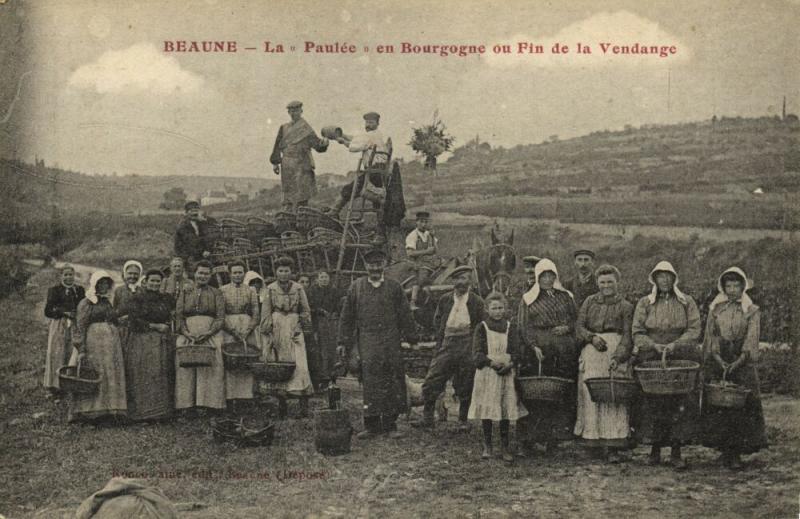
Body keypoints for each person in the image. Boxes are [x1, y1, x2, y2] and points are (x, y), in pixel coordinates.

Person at [338, 249, 419, 439]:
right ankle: (372, 425)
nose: (375, 268)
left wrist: (412, 338)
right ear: (366, 266)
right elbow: (346, 317)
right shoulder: (356, 287)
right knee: (371, 381)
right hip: (367, 340)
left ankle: (391, 425)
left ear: (384, 266)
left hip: (391, 340)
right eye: (371, 265)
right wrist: (342, 341)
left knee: (392, 380)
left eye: (379, 264)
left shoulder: (394, 287)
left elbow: (405, 314)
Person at [631, 260, 702, 469]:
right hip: (652, 355)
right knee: (653, 401)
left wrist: (675, 345)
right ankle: (654, 449)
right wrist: (652, 345)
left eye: (668, 276)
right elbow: (637, 330)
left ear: (674, 279)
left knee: (678, 402)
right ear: (654, 279)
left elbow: (695, 329)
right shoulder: (645, 303)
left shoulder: (686, 302)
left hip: (680, 355)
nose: (664, 280)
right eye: (660, 276)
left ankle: (676, 450)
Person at [701, 267, 767, 469]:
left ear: (742, 287)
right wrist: (718, 358)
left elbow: (752, 338)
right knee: (720, 405)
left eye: (736, 285)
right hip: (719, 359)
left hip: (742, 362)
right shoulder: (716, 309)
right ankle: (724, 450)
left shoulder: (751, 310)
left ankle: (737, 452)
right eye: (728, 286)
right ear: (723, 287)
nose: (732, 290)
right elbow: (710, 335)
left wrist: (739, 360)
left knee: (741, 405)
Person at [516, 258, 578, 456]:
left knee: (558, 393)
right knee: (535, 394)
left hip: (562, 349)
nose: (547, 279)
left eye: (551, 275)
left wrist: (567, 327)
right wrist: (533, 345)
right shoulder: (528, 299)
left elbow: (576, 320)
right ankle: (530, 440)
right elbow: (523, 326)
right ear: (537, 277)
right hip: (537, 352)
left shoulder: (566, 296)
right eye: (543, 276)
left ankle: (554, 439)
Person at [574, 264, 634, 462]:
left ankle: (613, 445)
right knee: (590, 394)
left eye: (610, 282)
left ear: (617, 282)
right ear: (597, 283)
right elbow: (579, 326)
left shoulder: (626, 306)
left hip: (615, 352)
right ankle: (592, 442)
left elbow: (627, 335)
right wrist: (591, 338)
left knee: (613, 395)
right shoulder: (589, 302)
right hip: (592, 351)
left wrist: (619, 357)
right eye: (602, 282)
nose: (606, 285)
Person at [413, 266, 485, 430]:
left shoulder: (477, 302)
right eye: (457, 279)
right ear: (453, 281)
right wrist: (442, 338)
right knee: (433, 379)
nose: (460, 282)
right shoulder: (445, 299)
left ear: (470, 281)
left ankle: (462, 420)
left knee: (465, 382)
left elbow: (481, 326)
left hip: (467, 343)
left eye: (464, 278)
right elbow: (437, 320)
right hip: (447, 342)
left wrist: (474, 346)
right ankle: (428, 418)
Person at [468, 293, 527, 462]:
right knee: (488, 408)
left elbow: (516, 350)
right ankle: (487, 445)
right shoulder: (482, 327)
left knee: (504, 409)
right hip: (488, 373)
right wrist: (491, 363)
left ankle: (505, 446)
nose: (498, 311)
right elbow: (477, 353)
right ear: (487, 309)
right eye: (494, 308)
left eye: (501, 308)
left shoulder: (510, 327)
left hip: (506, 374)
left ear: (506, 309)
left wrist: (510, 364)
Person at [69, 270, 127, 424]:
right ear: (94, 285)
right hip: (94, 342)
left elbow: (112, 318)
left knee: (110, 373)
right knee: (95, 372)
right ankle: (91, 412)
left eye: (106, 284)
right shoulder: (86, 303)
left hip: (110, 343)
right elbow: (80, 326)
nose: (103, 286)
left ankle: (109, 410)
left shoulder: (106, 301)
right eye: (100, 283)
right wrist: (81, 349)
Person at [260, 256, 313, 417]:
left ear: (292, 272)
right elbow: (266, 311)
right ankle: (281, 405)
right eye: (281, 271)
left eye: (287, 271)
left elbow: (305, 309)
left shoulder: (298, 288)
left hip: (294, 326)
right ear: (276, 272)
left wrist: (303, 326)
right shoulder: (270, 288)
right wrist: (268, 331)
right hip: (277, 327)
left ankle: (303, 405)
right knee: (279, 364)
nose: (284, 274)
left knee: (300, 364)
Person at [174, 261, 226, 413]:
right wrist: (185, 332)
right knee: (184, 367)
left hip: (210, 332)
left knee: (213, 366)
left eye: (206, 273)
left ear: (210, 276)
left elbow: (220, 317)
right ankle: (186, 406)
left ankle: (210, 405)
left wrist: (209, 333)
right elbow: (179, 315)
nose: (203, 276)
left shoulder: (216, 293)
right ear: (194, 274)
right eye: (200, 273)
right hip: (189, 333)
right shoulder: (186, 292)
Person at [125, 269, 174, 422]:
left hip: (160, 341)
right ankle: (142, 413)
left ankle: (159, 412)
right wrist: (154, 326)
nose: (155, 284)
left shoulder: (165, 298)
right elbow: (134, 320)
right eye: (152, 281)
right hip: (142, 340)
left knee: (159, 373)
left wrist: (165, 326)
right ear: (145, 281)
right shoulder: (137, 298)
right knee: (143, 373)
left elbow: (170, 315)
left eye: (158, 281)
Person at [269, 101, 329, 210]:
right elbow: (277, 145)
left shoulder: (306, 129)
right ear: (288, 112)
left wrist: (323, 144)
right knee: (288, 193)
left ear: (301, 111)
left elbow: (317, 145)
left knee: (302, 193)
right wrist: (275, 163)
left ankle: (301, 216)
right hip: (287, 164)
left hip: (302, 163)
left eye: (295, 111)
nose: (293, 113)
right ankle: (287, 217)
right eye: (291, 111)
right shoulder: (283, 128)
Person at [330, 111, 391, 216]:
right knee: (376, 200)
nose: (368, 125)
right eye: (367, 122)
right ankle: (381, 227)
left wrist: (343, 141)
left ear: (377, 123)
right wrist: (343, 135)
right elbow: (357, 138)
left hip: (372, 172)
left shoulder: (369, 135)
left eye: (371, 122)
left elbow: (354, 147)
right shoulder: (377, 134)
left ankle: (333, 213)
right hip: (380, 172)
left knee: (349, 189)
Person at [219, 261, 260, 408]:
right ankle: (230, 398)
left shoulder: (251, 291)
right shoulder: (222, 290)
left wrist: (248, 330)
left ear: (244, 273)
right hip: (229, 328)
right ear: (230, 274)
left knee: (247, 359)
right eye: (234, 272)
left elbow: (256, 313)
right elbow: (220, 314)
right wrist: (233, 331)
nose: (237, 275)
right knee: (230, 360)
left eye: (240, 272)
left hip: (247, 327)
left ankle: (246, 397)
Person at [43, 264, 85, 395]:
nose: (68, 277)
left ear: (74, 275)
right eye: (65, 274)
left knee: (72, 351)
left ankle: (70, 383)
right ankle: (54, 384)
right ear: (61, 276)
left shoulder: (79, 290)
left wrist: (77, 315)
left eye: (70, 274)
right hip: (59, 324)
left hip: (74, 324)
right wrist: (64, 312)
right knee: (56, 351)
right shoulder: (54, 290)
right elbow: (48, 311)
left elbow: (83, 306)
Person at [307, 270, 343, 390]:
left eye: (326, 277)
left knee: (331, 350)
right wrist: (320, 311)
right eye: (321, 277)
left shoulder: (334, 291)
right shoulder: (312, 291)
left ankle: (332, 377)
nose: (324, 279)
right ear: (317, 279)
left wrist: (334, 313)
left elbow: (338, 305)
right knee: (320, 350)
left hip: (331, 323)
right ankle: (321, 378)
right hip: (317, 323)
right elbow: (310, 307)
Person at [406, 211, 439, 310]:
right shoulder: (412, 235)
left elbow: (436, 250)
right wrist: (426, 251)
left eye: (426, 222)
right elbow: (410, 253)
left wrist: (433, 237)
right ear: (416, 222)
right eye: (421, 222)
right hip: (419, 263)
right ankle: (413, 301)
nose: (424, 224)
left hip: (431, 262)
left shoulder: (429, 234)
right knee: (421, 279)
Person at [174, 201, 211, 268]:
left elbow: (206, 237)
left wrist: (207, 249)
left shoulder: (199, 223)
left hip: (197, 254)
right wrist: (203, 251)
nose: (195, 213)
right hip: (186, 257)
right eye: (192, 211)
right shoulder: (183, 225)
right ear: (186, 213)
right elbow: (192, 242)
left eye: (196, 211)